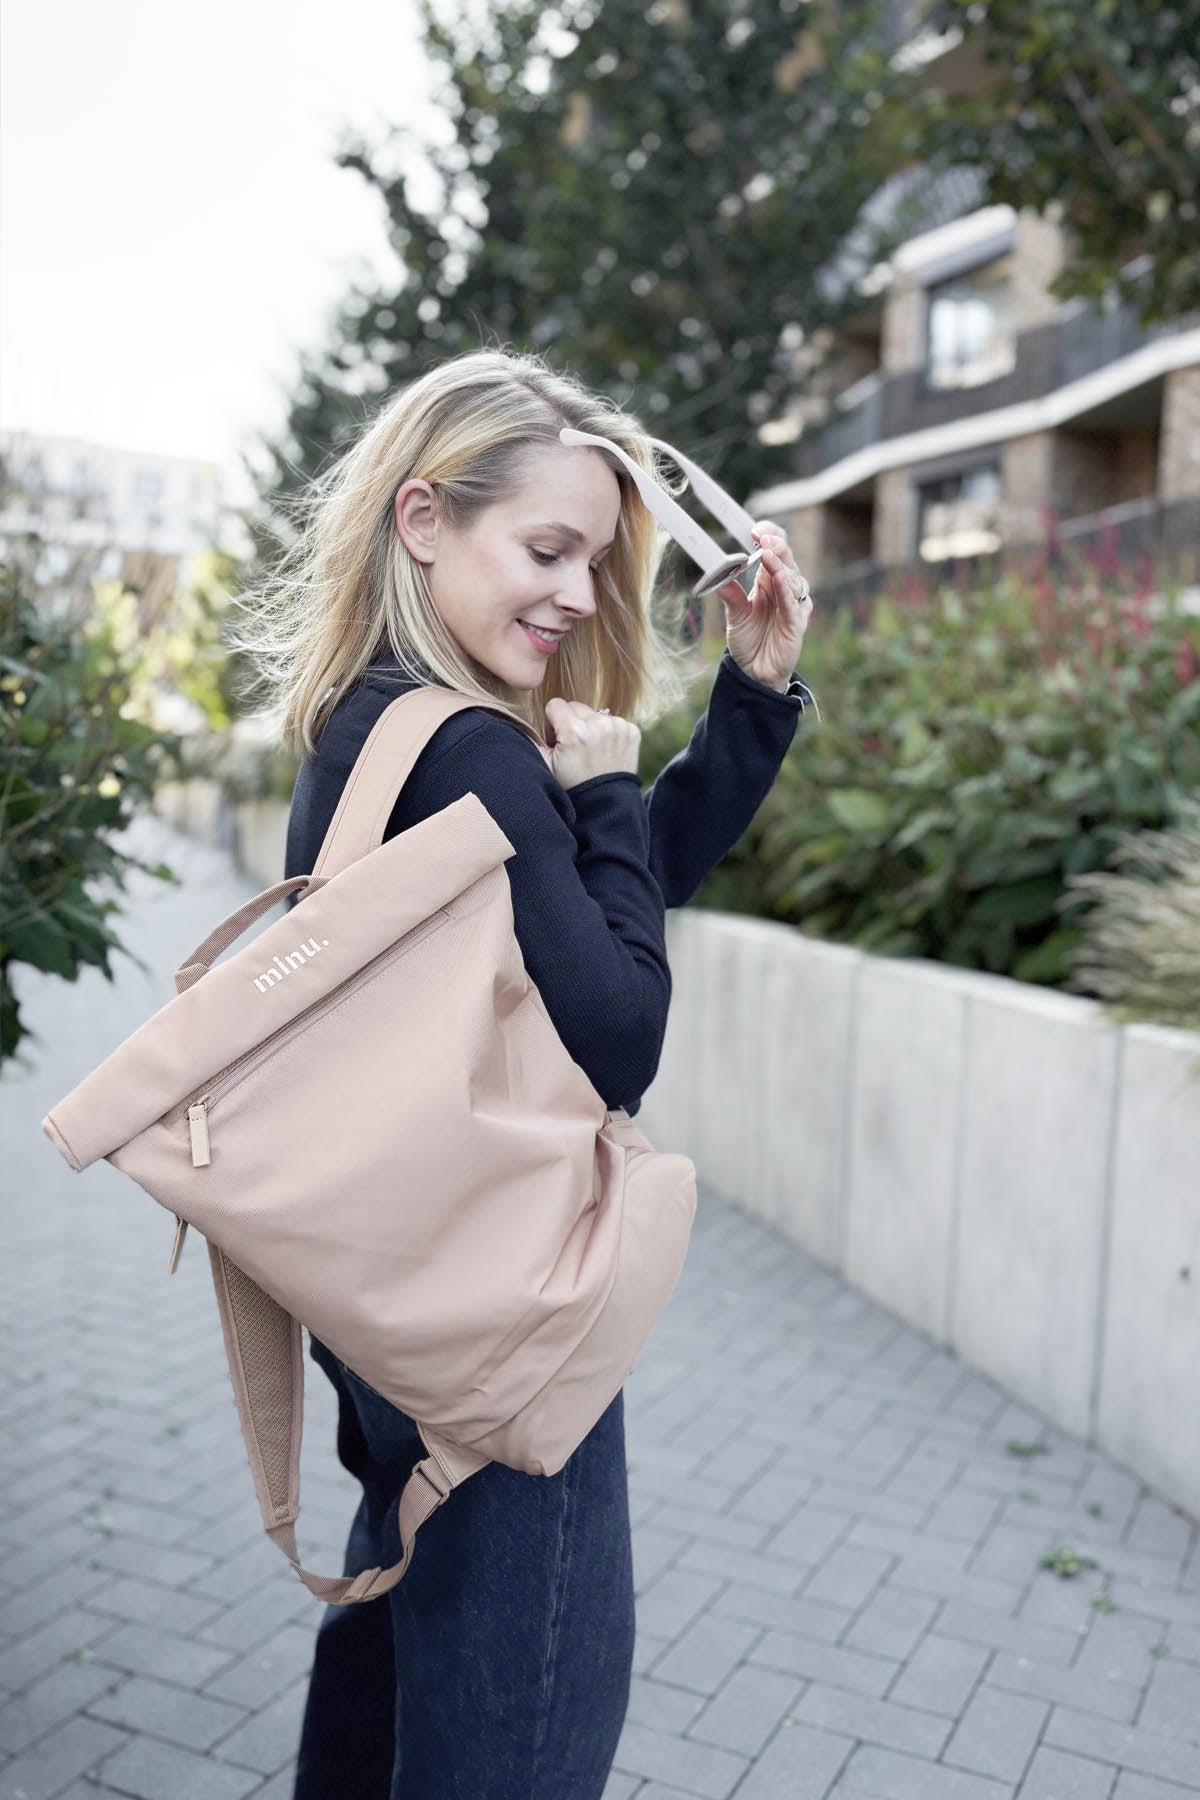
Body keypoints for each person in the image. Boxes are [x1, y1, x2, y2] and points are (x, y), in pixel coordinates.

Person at [234, 345, 814, 1798]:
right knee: (519, 1732)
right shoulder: (474, 753)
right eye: (544, 546)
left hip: (389, 1301)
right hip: (496, 1325)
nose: (573, 590)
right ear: (425, 521)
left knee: (394, 1656)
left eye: (594, 560)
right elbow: (616, 1032)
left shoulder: (369, 724)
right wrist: (606, 782)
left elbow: (584, 921)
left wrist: (745, 706)